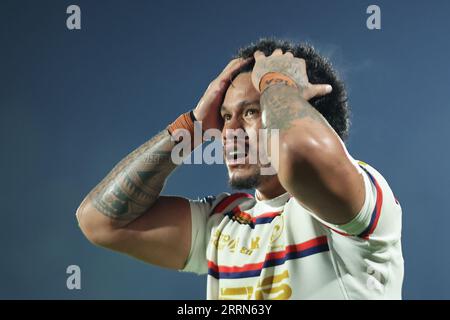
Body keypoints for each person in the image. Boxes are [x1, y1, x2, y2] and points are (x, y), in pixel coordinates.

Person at [76, 39, 404, 299]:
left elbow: (298, 155)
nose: (229, 132)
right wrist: (191, 127)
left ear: (305, 111)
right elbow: (99, 221)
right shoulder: (222, 222)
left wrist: (276, 82)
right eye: (225, 116)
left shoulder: (360, 197)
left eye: (250, 112)